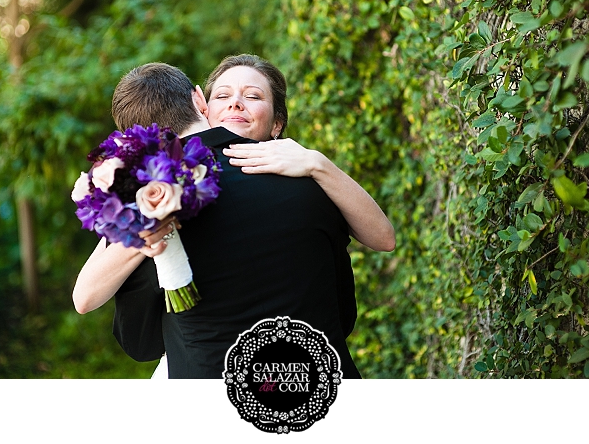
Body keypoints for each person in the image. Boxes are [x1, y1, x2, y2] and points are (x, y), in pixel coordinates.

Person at [72, 56, 395, 378]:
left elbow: (138, 340)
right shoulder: (309, 188)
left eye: (253, 96)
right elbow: (341, 307)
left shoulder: (310, 172)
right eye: (223, 96)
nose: (235, 105)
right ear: (202, 103)